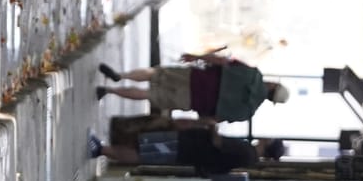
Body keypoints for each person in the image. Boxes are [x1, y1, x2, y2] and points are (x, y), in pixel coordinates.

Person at [99, 50, 290, 122]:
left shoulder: (253, 74)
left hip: (195, 78)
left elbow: (221, 61)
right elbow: (213, 118)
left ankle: (120, 75)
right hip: (191, 100)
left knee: (156, 74)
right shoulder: (247, 112)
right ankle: (109, 91)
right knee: (150, 95)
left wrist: (197, 57)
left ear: (273, 86)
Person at [90, 119, 287, 168]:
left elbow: (219, 143)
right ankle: (103, 149)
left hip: (189, 146)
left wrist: (212, 126)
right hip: (190, 153)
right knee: (144, 150)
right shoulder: (248, 158)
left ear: (268, 144)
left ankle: (101, 149)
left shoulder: (246, 151)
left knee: (143, 150)